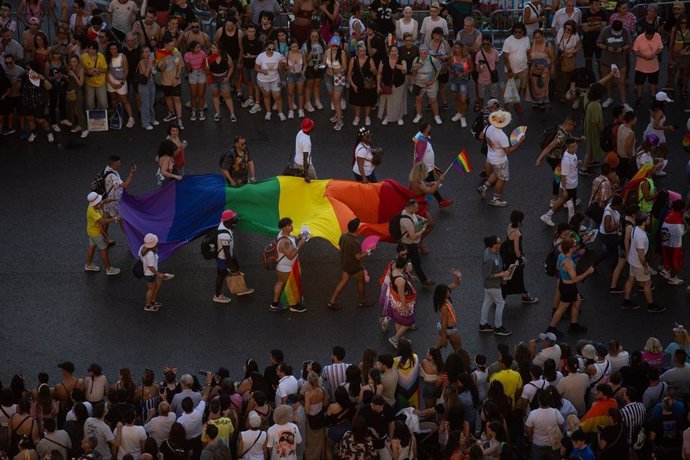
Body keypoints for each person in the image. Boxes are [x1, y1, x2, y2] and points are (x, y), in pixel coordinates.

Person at [546, 237, 593, 337]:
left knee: (577, 302)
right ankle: (551, 328)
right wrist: (587, 272)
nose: (576, 247)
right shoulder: (568, 262)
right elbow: (575, 278)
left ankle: (574, 325)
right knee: (562, 308)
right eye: (574, 246)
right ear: (570, 248)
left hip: (565, 284)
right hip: (569, 287)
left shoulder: (561, 256)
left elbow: (558, 268)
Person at [477, 109, 525, 207]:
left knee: (496, 173)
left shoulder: (489, 127)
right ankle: (496, 199)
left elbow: (481, 136)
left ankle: (484, 187)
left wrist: (488, 141)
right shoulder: (502, 136)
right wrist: (519, 141)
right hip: (500, 160)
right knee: (502, 179)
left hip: (490, 157)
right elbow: (509, 151)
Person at [622, 212, 666, 313]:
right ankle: (651, 305)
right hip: (639, 264)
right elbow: (641, 254)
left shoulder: (635, 229)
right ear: (644, 221)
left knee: (630, 280)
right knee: (647, 283)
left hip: (633, 261)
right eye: (649, 220)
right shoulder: (642, 236)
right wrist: (646, 267)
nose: (650, 221)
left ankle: (626, 301)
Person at [327, 218, 373, 310]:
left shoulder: (343, 236)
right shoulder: (354, 242)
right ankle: (362, 301)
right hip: (354, 266)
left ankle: (332, 301)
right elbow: (358, 257)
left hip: (345, 263)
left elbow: (340, 245)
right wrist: (368, 251)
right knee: (361, 282)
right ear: (357, 229)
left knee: (342, 282)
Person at [270, 217, 308, 313]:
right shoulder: (284, 241)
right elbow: (290, 256)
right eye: (289, 225)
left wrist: (298, 238)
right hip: (286, 268)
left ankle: (274, 304)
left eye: (291, 224)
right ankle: (293, 305)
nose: (292, 226)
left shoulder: (284, 235)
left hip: (282, 266)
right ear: (283, 228)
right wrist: (300, 245)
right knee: (292, 286)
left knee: (280, 283)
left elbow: (291, 244)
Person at [540, 138, 580, 227]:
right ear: (568, 147)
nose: (575, 148)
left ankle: (548, 215)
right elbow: (563, 175)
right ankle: (574, 224)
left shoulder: (573, 154)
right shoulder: (566, 160)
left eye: (575, 146)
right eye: (572, 147)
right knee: (571, 205)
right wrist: (565, 189)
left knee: (566, 201)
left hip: (573, 184)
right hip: (569, 185)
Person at [501, 210, 539, 304]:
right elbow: (516, 249)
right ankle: (523, 295)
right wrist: (520, 259)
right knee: (518, 276)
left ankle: (501, 297)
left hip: (506, 253)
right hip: (513, 257)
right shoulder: (517, 233)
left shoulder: (510, 226)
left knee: (508, 275)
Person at [412, 122, 453, 208]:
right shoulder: (422, 142)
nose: (430, 128)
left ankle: (427, 201)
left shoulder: (422, 137)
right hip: (425, 169)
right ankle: (439, 201)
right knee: (429, 185)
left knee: (428, 184)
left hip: (428, 167)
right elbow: (419, 157)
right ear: (426, 129)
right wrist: (418, 170)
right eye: (429, 127)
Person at [398, 199, 435, 288]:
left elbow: (415, 216)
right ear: (410, 208)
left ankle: (396, 272)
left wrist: (421, 219)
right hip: (410, 244)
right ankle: (424, 280)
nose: (417, 210)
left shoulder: (408, 212)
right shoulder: (407, 221)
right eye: (416, 208)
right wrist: (423, 229)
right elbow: (413, 236)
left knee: (405, 259)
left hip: (409, 243)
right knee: (416, 262)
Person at [479, 235, 511, 337]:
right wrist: (502, 275)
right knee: (500, 303)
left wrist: (502, 277)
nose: (500, 243)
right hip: (492, 285)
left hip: (490, 285)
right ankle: (498, 327)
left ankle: (483, 324)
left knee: (487, 302)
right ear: (494, 245)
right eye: (499, 242)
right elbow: (487, 275)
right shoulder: (490, 258)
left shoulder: (491, 251)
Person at [598, 20, 632, 111]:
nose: (617, 33)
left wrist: (621, 49)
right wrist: (607, 47)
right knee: (608, 81)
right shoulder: (605, 31)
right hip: (606, 60)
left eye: (618, 31)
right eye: (615, 31)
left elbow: (629, 44)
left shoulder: (625, 31)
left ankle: (624, 103)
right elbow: (598, 43)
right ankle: (609, 98)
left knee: (621, 82)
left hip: (620, 61)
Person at [84, 192, 120, 275]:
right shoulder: (93, 212)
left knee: (91, 247)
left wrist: (112, 199)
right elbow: (103, 221)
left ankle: (88, 265)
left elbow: (103, 202)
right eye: (99, 201)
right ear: (95, 202)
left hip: (91, 231)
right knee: (103, 250)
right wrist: (115, 218)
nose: (100, 202)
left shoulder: (93, 206)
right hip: (97, 234)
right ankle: (109, 269)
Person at [139, 233, 173, 312]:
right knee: (151, 289)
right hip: (150, 274)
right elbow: (151, 267)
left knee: (157, 284)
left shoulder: (142, 247)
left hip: (150, 273)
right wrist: (158, 274)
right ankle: (148, 305)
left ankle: (153, 300)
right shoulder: (150, 254)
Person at [213, 209, 240, 304]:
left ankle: (239, 287)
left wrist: (234, 223)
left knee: (236, 268)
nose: (235, 218)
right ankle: (217, 295)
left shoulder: (224, 224)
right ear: (229, 220)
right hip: (223, 258)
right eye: (233, 217)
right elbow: (226, 251)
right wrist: (230, 265)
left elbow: (230, 226)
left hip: (228, 255)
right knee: (221, 275)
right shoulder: (224, 234)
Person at [105, 42, 135, 128]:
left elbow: (126, 70)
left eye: (115, 49)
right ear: (109, 50)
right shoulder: (107, 58)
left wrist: (121, 83)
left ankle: (131, 118)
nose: (113, 51)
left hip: (121, 82)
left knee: (125, 100)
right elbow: (106, 73)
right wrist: (111, 83)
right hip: (111, 81)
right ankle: (116, 114)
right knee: (114, 98)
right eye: (111, 49)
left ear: (117, 49)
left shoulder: (122, 56)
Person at [157, 35, 185, 129]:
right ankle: (171, 113)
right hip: (165, 81)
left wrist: (176, 78)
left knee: (177, 99)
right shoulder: (160, 53)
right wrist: (165, 59)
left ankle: (179, 118)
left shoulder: (176, 52)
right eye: (171, 46)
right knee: (168, 97)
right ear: (166, 45)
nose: (173, 48)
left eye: (173, 45)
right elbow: (161, 69)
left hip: (176, 81)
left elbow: (180, 66)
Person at [501, 22, 530, 113]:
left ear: (523, 32)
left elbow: (528, 52)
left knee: (521, 88)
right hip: (511, 70)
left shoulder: (526, 39)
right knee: (509, 89)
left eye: (520, 32)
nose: (517, 34)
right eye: (515, 32)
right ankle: (506, 106)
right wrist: (509, 70)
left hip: (523, 69)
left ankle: (517, 103)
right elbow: (505, 57)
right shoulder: (508, 41)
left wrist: (528, 63)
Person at [632, 25, 664, 107]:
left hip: (654, 66)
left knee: (653, 82)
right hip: (641, 67)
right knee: (640, 83)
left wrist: (655, 54)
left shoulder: (657, 36)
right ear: (645, 33)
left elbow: (660, 48)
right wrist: (643, 56)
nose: (650, 38)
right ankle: (639, 97)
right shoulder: (639, 38)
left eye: (651, 36)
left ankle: (653, 96)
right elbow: (635, 51)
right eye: (648, 36)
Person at [348, 41, 377, 127]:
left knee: (367, 102)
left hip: (367, 84)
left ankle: (367, 117)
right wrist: (352, 84)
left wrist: (373, 70)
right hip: (356, 84)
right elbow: (349, 74)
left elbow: (375, 72)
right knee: (357, 102)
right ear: (357, 51)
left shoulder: (370, 59)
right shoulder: (353, 59)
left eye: (364, 51)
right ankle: (357, 116)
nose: (362, 52)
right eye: (360, 51)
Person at [411, 45, 442, 125]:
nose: (423, 54)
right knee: (418, 99)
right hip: (419, 84)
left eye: (425, 53)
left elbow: (439, 68)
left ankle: (436, 115)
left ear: (427, 53)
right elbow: (413, 74)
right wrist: (415, 69)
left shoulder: (432, 59)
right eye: (421, 53)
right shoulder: (416, 60)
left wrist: (435, 79)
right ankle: (418, 115)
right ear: (419, 53)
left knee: (433, 100)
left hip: (431, 84)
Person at [433, 269, 463, 351]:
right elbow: (444, 323)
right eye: (447, 292)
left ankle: (433, 359)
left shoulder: (445, 296)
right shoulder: (444, 307)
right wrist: (443, 337)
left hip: (447, 329)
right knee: (458, 349)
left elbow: (456, 284)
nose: (449, 292)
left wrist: (458, 277)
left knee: (437, 349)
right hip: (449, 329)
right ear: (443, 294)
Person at [207, 42, 236, 123]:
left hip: (223, 78)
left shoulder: (226, 56)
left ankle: (232, 114)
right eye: (211, 48)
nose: (211, 49)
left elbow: (231, 67)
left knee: (227, 96)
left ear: (219, 49)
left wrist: (228, 77)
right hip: (213, 78)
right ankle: (217, 113)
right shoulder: (209, 57)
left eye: (213, 48)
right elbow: (206, 70)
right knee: (215, 95)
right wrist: (207, 69)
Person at [377, 45, 407, 126]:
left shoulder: (402, 61)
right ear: (389, 52)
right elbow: (379, 74)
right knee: (387, 102)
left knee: (398, 101)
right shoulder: (383, 61)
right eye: (392, 51)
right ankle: (387, 116)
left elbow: (405, 72)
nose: (394, 52)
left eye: (395, 51)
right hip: (386, 84)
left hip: (399, 84)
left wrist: (402, 68)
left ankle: (399, 116)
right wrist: (378, 86)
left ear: (398, 52)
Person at [255, 42, 285, 121]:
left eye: (273, 49)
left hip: (275, 78)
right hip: (263, 80)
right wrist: (262, 71)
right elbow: (256, 68)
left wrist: (281, 65)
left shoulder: (278, 55)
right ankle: (268, 112)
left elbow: (281, 68)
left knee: (277, 96)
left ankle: (280, 112)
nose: (271, 50)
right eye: (269, 49)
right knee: (266, 95)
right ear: (265, 48)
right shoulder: (260, 57)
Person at [322, 36, 347, 130]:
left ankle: (340, 121)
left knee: (336, 100)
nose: (334, 47)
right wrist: (319, 65)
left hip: (338, 78)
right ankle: (338, 114)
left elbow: (345, 67)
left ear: (339, 45)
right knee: (333, 97)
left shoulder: (342, 53)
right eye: (333, 46)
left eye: (336, 46)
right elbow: (324, 63)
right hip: (328, 77)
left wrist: (338, 71)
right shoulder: (327, 52)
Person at [527, 29, 552, 111]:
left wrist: (550, 68)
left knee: (543, 86)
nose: (537, 39)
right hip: (534, 69)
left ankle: (542, 102)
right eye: (535, 37)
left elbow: (552, 57)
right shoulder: (531, 44)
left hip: (544, 69)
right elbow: (529, 56)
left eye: (539, 37)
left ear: (542, 36)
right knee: (534, 86)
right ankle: (535, 101)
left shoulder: (548, 44)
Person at [448, 40, 473, 126]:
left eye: (458, 48)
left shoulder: (468, 57)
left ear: (462, 49)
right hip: (454, 80)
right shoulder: (452, 57)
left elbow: (471, 68)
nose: (456, 49)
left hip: (463, 81)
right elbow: (449, 67)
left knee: (463, 100)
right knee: (455, 98)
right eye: (455, 47)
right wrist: (451, 71)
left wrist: (464, 73)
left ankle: (463, 116)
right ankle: (459, 112)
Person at [183, 40, 208, 122]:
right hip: (192, 73)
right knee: (193, 94)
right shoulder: (187, 55)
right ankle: (193, 110)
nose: (199, 48)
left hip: (201, 73)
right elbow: (188, 68)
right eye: (197, 47)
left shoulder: (203, 53)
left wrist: (206, 68)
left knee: (201, 94)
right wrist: (189, 66)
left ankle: (201, 110)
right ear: (192, 48)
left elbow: (205, 64)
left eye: (200, 47)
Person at [136, 46, 158, 130]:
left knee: (151, 102)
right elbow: (145, 74)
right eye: (145, 52)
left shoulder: (151, 61)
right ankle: (145, 122)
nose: (148, 53)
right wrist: (149, 63)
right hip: (144, 84)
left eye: (148, 51)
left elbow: (154, 72)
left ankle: (152, 119)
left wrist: (154, 64)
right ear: (142, 54)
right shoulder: (141, 62)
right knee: (145, 103)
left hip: (152, 82)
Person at [285, 38, 306, 120]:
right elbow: (285, 66)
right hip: (291, 75)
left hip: (300, 75)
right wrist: (288, 67)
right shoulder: (287, 54)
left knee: (300, 93)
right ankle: (291, 110)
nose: (295, 48)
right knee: (290, 93)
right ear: (290, 47)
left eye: (296, 46)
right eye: (293, 47)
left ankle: (300, 109)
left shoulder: (302, 53)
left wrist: (303, 70)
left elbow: (305, 64)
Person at [293, 117, 315, 181]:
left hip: (296, 162)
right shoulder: (306, 142)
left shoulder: (300, 132)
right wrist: (306, 175)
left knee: (299, 181)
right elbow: (305, 159)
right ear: (310, 129)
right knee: (314, 181)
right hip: (303, 165)